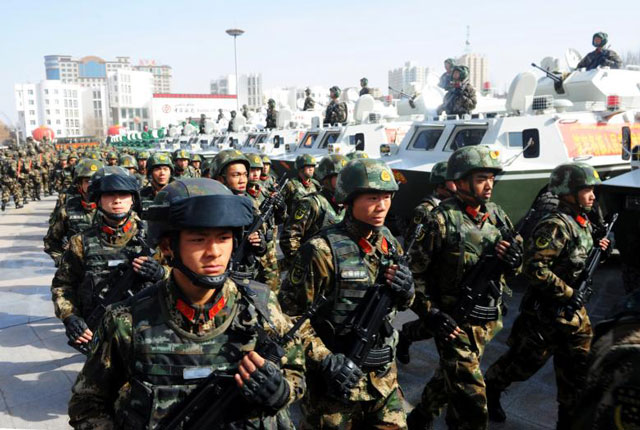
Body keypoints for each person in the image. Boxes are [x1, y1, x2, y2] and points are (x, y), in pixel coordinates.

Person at [67, 178, 306, 429]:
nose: (214, 251)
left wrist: (282, 392)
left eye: (223, 238)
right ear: (169, 246)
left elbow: (295, 370)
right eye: (199, 240)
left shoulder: (261, 305)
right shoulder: (127, 321)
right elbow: (87, 403)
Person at [284, 158, 414, 429]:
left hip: (382, 378)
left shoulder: (388, 241)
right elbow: (289, 318)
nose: (382, 206)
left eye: (387, 197)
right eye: (372, 197)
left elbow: (401, 302)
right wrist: (325, 359)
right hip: (336, 383)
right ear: (348, 200)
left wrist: (407, 291)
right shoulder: (321, 250)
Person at [484, 162, 610, 429]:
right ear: (567, 192)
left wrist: (601, 249)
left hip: (575, 317)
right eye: (586, 189)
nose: (592, 195)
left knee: (576, 373)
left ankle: (567, 422)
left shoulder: (583, 221)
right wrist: (568, 293)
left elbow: (580, 259)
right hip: (545, 315)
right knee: (521, 365)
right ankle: (490, 390)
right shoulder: (555, 225)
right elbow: (533, 268)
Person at [407, 145, 523, 430]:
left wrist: (515, 261)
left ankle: (421, 414)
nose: (489, 185)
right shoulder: (439, 220)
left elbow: (514, 264)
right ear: (459, 181)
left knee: (450, 376)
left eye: (492, 178)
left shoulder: (496, 214)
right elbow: (413, 276)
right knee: (472, 401)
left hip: (487, 320)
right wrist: (431, 315)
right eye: (481, 178)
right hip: (453, 321)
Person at [50, 167, 165, 354]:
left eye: (124, 194)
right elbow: (63, 285)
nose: (117, 200)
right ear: (98, 199)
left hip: (149, 330)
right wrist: (70, 316)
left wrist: (162, 273)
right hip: (100, 331)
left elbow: (185, 278)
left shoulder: (154, 236)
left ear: (133, 199)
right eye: (109, 195)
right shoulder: (81, 242)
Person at [397, 161, 457, 430]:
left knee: (434, 330)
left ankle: (406, 335)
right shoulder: (427, 211)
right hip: (430, 283)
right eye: (451, 184)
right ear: (441, 185)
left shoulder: (453, 210)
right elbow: (417, 250)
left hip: (448, 286)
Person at [279, 154, 347, 266]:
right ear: (327, 178)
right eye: (339, 176)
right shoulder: (311, 203)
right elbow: (289, 238)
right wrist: (303, 264)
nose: (344, 181)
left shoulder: (348, 204)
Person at [43, 159, 103, 267]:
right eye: (87, 181)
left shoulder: (113, 208)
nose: (92, 185)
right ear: (79, 184)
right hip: (77, 270)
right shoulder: (67, 210)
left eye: (97, 180)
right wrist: (62, 260)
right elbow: (51, 241)